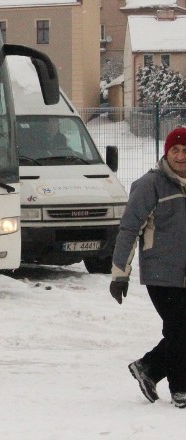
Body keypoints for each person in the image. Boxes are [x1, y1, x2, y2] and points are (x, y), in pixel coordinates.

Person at [110, 126, 186, 409]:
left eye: (185, 151)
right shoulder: (150, 184)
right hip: (162, 273)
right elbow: (129, 229)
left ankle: (149, 368)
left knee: (180, 331)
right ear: (166, 152)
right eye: (175, 150)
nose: (180, 156)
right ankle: (180, 388)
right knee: (180, 329)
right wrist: (120, 274)